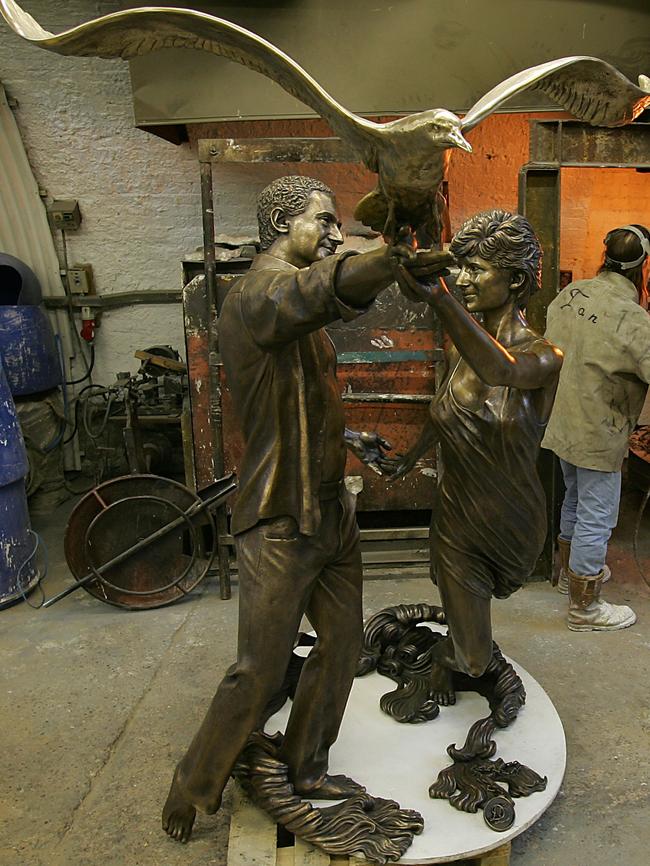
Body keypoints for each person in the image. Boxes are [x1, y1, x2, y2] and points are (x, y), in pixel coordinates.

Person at [162, 175, 451, 842]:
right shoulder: (259, 291)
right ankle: (194, 780)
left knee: (344, 643)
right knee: (258, 669)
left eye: (337, 225)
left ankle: (307, 763)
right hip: (281, 514)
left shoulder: (293, 300)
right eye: (322, 221)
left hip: (328, 508)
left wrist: (349, 436)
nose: (333, 234)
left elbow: (296, 393)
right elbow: (314, 293)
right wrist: (391, 258)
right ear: (280, 222)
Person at [387, 210, 562, 705]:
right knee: (473, 656)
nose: (463, 280)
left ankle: (447, 656)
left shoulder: (544, 356)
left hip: (510, 519)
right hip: (456, 520)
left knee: (473, 651)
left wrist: (440, 296)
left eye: (476, 269)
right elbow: (447, 414)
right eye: (459, 269)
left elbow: (500, 369)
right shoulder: (461, 352)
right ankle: (450, 659)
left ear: (516, 280)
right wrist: (405, 459)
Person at [542, 224, 650, 632]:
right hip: (598, 428)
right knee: (597, 515)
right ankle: (585, 608)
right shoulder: (633, 318)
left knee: (574, 499)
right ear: (642, 267)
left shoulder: (570, 295)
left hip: (561, 420)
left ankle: (570, 579)